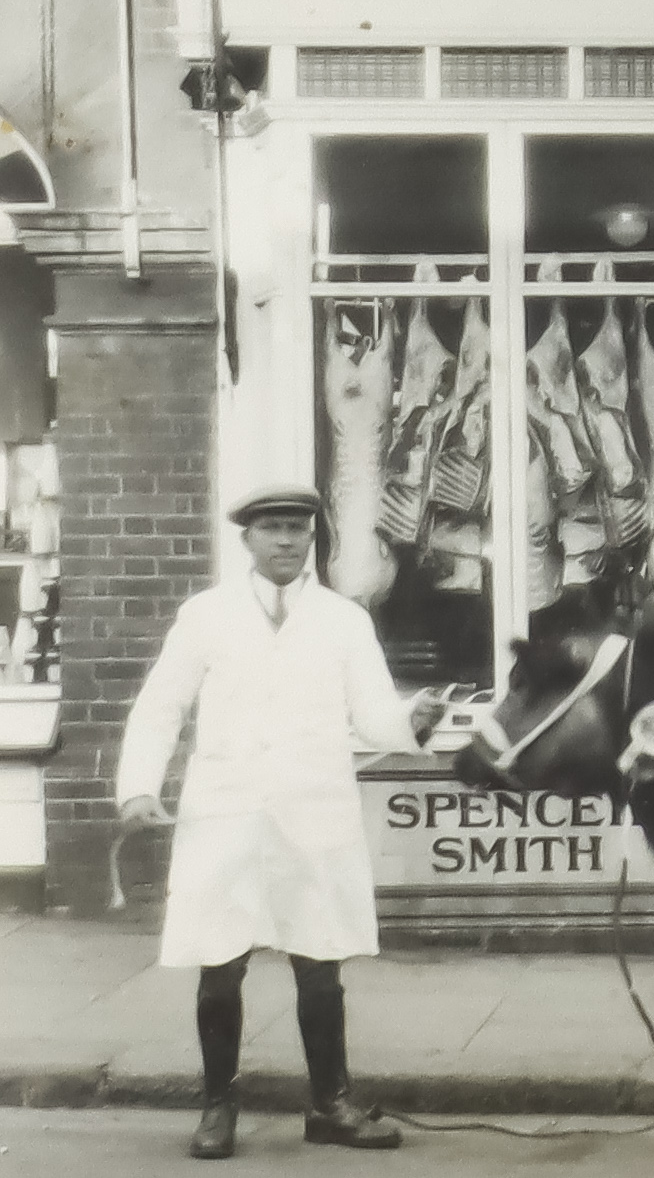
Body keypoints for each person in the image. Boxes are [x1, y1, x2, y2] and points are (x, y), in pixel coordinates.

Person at [115, 482, 447, 1161]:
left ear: (314, 537)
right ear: (247, 538)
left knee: (320, 964)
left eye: (299, 528)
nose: (288, 541)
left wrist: (411, 721)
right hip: (226, 812)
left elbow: (374, 713)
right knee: (220, 964)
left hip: (311, 812)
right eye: (273, 528)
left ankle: (331, 1103)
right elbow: (160, 706)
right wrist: (138, 787)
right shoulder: (205, 616)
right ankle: (218, 1106)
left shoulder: (343, 621)